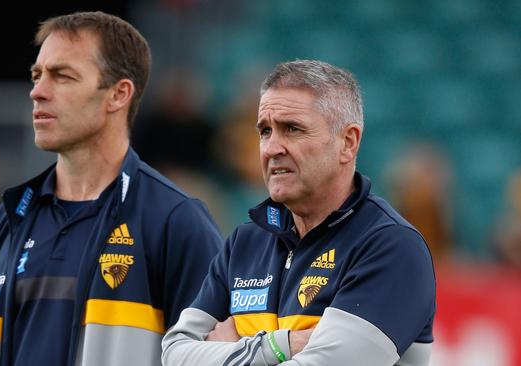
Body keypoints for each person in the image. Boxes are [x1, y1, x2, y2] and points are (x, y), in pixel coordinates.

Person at [0, 11, 222, 366]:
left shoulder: (175, 220)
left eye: (62, 77)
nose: (38, 92)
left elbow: (213, 356)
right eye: (36, 76)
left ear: (118, 94)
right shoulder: (8, 219)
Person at [162, 60, 436, 365]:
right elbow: (174, 355)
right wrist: (283, 345)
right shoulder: (244, 243)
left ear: (348, 142)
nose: (271, 148)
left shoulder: (391, 247)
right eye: (265, 131)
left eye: (292, 129)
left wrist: (230, 348)